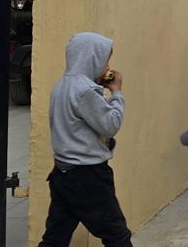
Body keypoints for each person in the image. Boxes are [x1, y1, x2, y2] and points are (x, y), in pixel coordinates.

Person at [39, 33, 132, 247]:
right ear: (92, 58)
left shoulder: (61, 86)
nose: (106, 67)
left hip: (63, 172)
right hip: (88, 175)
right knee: (117, 235)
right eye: (105, 61)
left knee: (55, 237)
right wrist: (116, 93)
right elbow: (111, 124)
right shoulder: (86, 90)